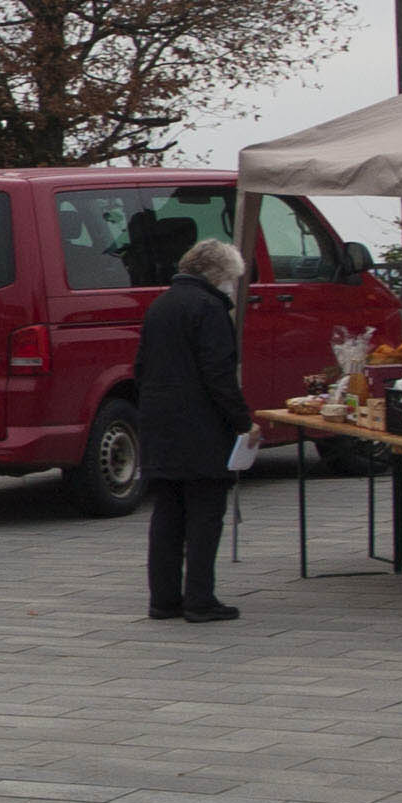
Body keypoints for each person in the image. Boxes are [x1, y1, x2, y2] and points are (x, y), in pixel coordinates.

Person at [134, 236, 254, 623]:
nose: (232, 287)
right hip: (200, 426)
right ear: (218, 275)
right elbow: (218, 374)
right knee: (204, 514)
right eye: (232, 280)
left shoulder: (160, 305)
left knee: (167, 512)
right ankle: (200, 598)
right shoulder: (209, 309)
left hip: (159, 423)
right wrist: (242, 421)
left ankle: (164, 599)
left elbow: (141, 367)